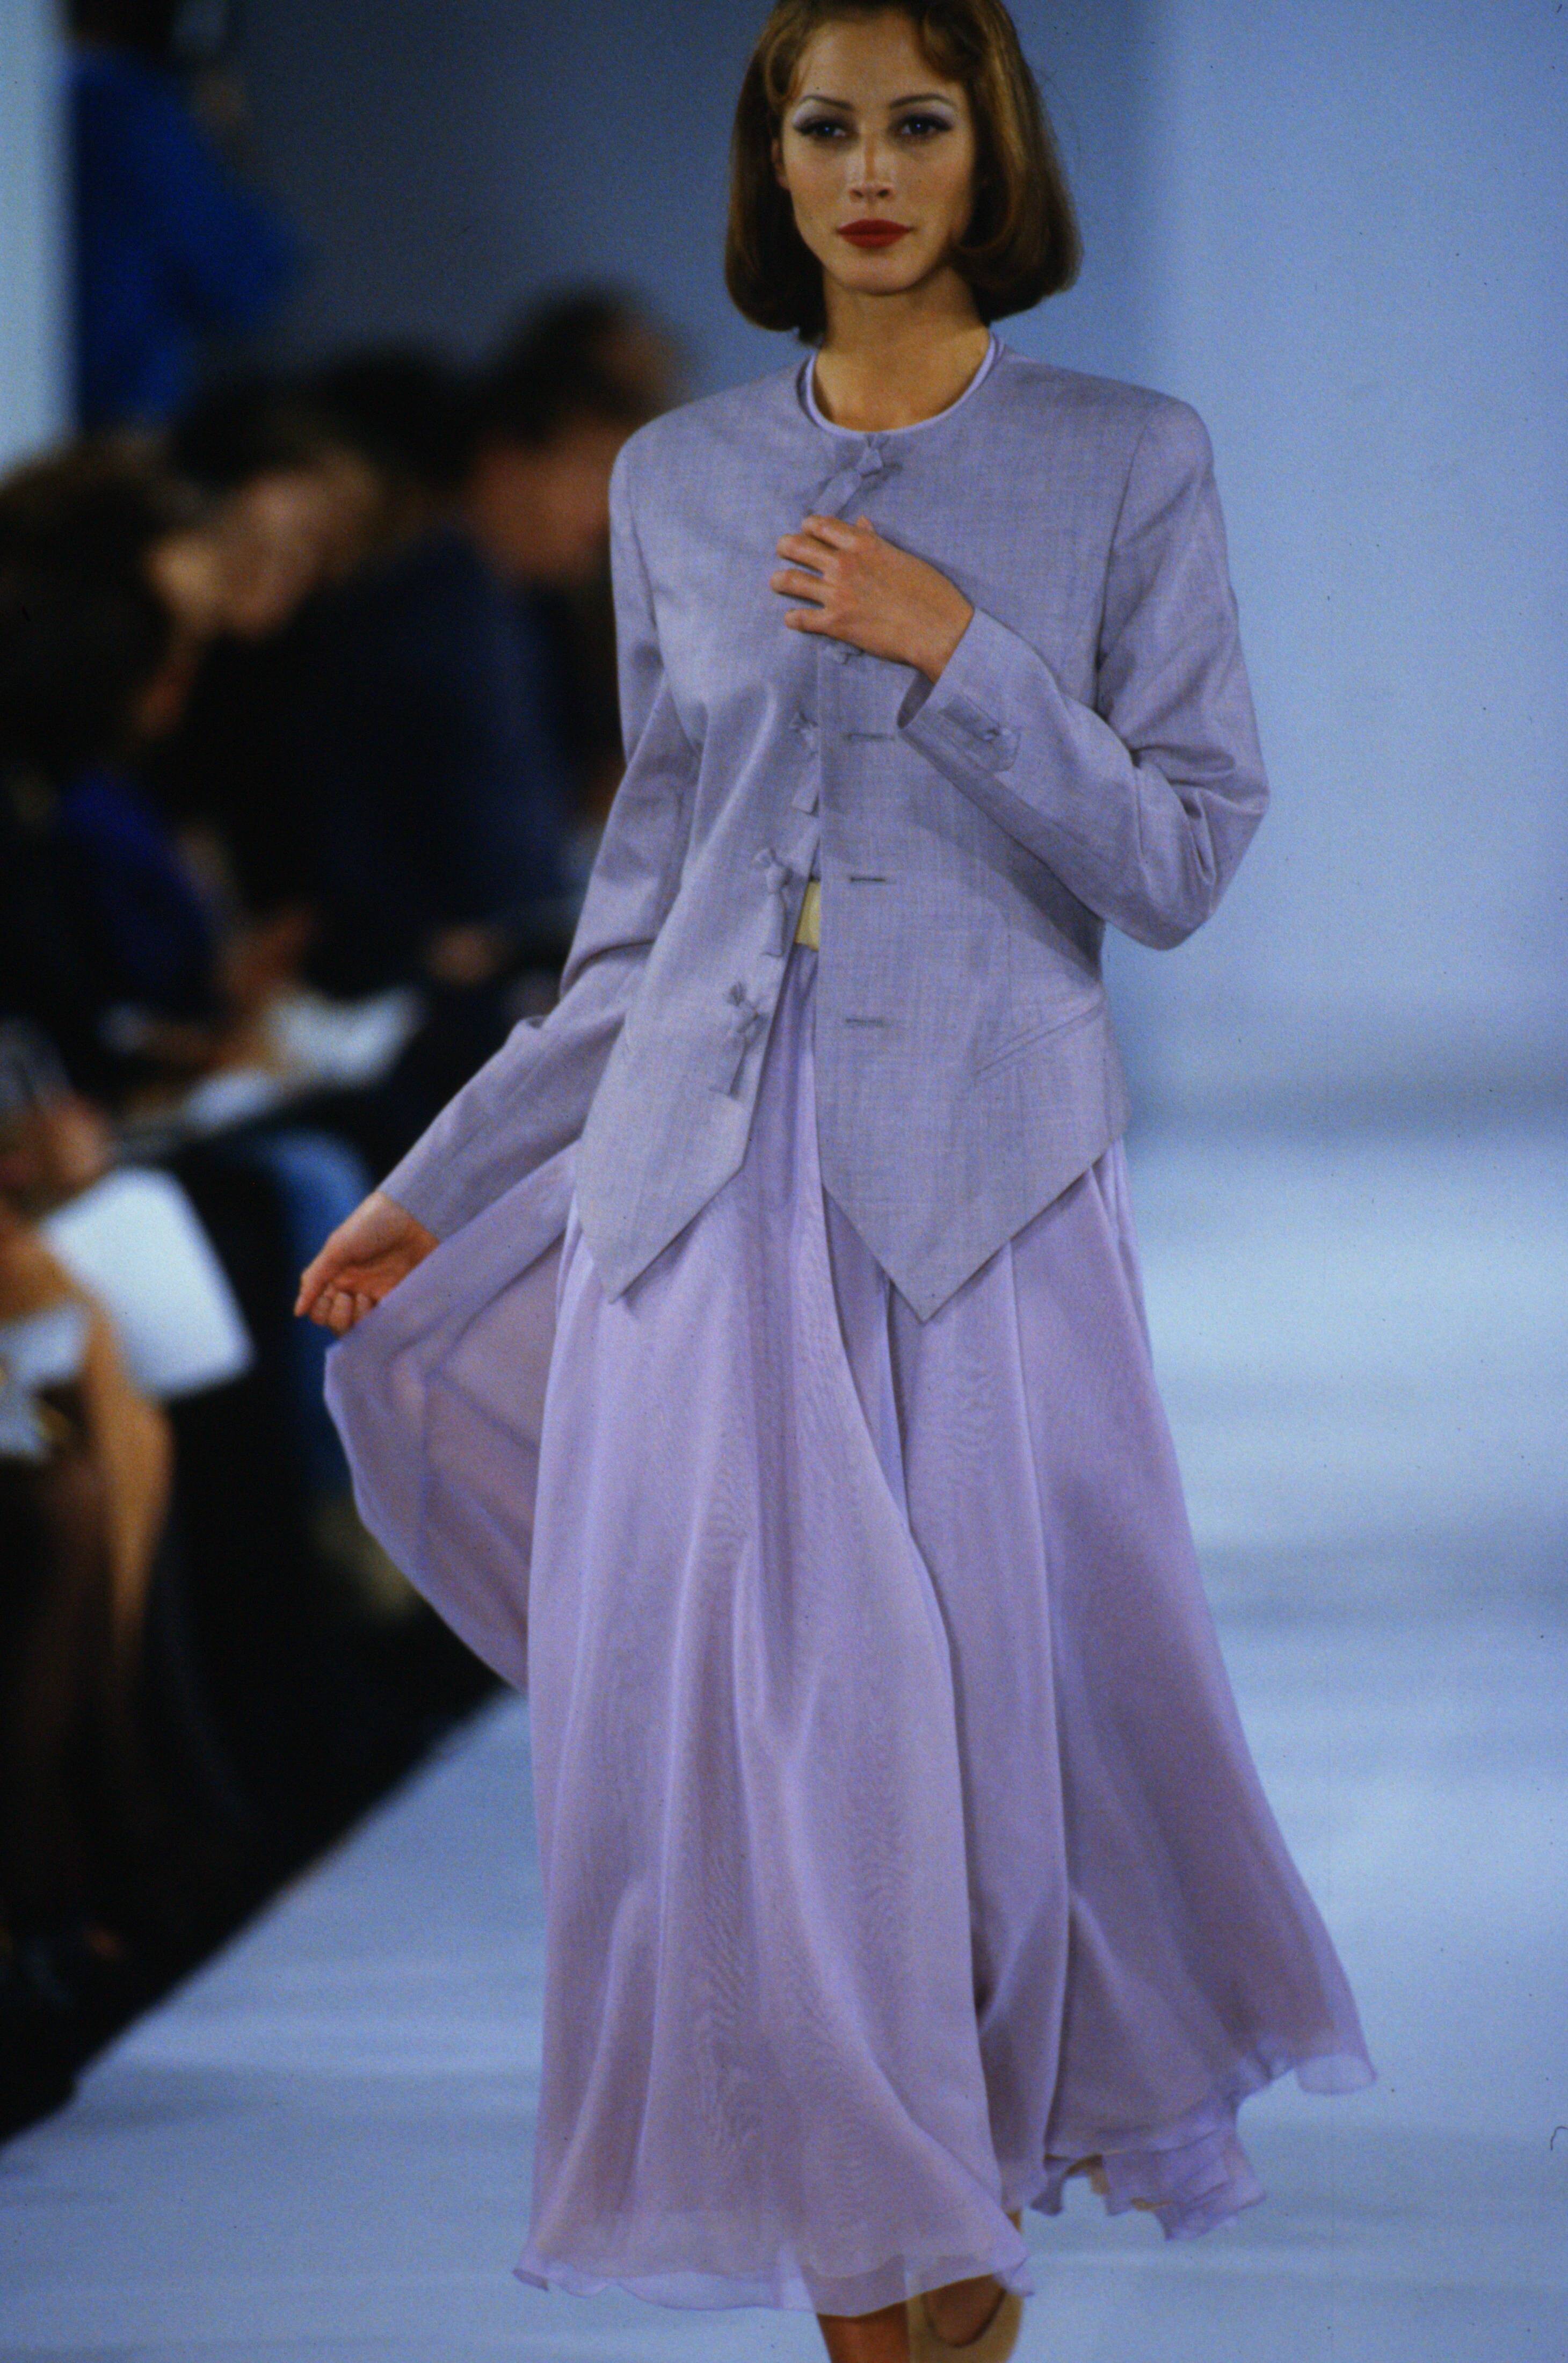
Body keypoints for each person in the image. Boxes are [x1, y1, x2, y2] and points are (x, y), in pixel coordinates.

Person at [298, 6, 1375, 2359]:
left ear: (990, 156)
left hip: (980, 1203)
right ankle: (884, 2300)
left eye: (915, 122)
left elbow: (1181, 857)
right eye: (825, 126)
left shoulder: (1124, 459)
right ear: (768, 167)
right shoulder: (675, 478)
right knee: (766, 1785)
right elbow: (641, 911)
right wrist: (441, 1177)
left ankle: (945, 2273)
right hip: (695, 1204)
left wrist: (958, 653)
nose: (869, 168)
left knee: (967, 1773)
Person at [68, 0, 298, 430]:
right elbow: (245, 284)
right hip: (115, 420)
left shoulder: (65, 92)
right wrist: (222, 136)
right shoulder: (128, 104)